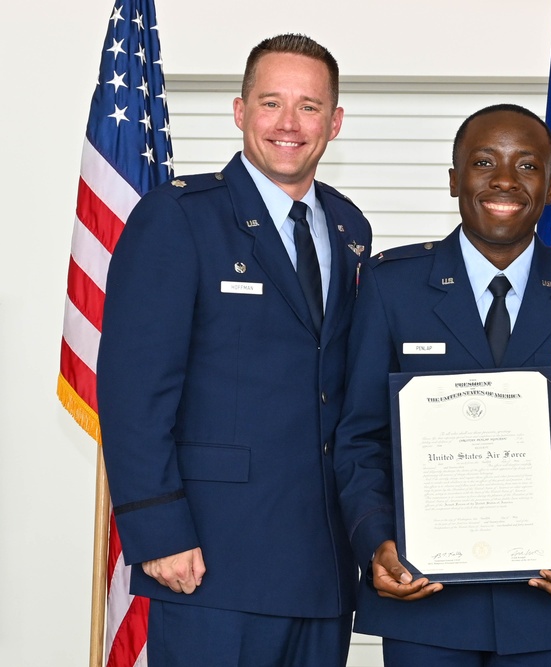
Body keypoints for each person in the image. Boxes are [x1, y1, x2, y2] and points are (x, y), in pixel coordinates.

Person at [333, 104, 551, 667]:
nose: (505, 180)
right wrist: (375, 541)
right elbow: (361, 436)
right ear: (455, 180)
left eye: (527, 166)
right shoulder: (391, 286)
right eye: (484, 162)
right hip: (424, 599)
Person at [96, 33, 371, 666]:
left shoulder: (349, 226)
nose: (288, 123)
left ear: (334, 121)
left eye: (308, 106)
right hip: (210, 560)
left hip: (322, 563)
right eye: (271, 102)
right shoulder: (179, 217)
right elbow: (134, 390)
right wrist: (157, 531)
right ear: (240, 109)